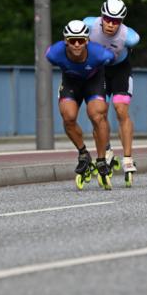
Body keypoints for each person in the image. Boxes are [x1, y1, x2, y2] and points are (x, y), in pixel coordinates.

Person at [46, 20, 115, 189]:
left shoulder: (100, 54)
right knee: (68, 117)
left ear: (87, 41)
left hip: (94, 82)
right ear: (65, 41)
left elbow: (114, 61)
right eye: (72, 40)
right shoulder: (53, 54)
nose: (76, 44)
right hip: (71, 84)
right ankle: (84, 154)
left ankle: (101, 159)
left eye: (81, 40)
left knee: (97, 116)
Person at [83, 0, 141, 186]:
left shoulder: (130, 37)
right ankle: (106, 150)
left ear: (122, 21)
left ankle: (127, 158)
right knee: (98, 114)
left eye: (115, 21)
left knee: (120, 109)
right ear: (101, 16)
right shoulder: (88, 25)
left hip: (120, 70)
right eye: (107, 19)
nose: (110, 24)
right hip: (98, 71)